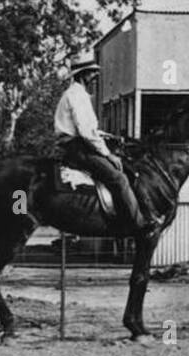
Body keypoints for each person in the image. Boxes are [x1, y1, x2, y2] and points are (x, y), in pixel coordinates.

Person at [54, 52, 157, 234]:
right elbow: (86, 132)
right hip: (77, 147)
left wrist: (108, 136)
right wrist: (107, 153)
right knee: (119, 178)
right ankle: (137, 224)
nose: (95, 77)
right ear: (83, 75)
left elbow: (88, 129)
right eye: (92, 73)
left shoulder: (76, 94)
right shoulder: (77, 95)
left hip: (77, 143)